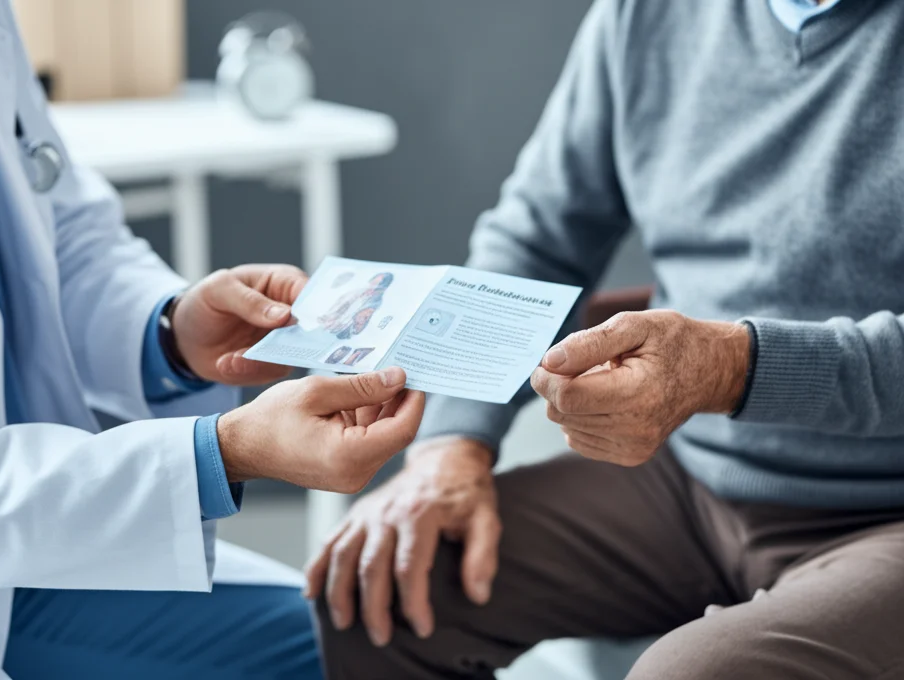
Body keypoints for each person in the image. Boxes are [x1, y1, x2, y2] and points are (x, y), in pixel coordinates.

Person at [308, 0, 904, 678]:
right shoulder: (646, 15)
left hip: (886, 510)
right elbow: (536, 243)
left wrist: (732, 368)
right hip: (688, 480)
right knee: (372, 585)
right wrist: (452, 444)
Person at [0, 1, 424, 679]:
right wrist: (222, 455)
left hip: (38, 547)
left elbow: (66, 233)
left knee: (368, 650)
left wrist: (167, 330)